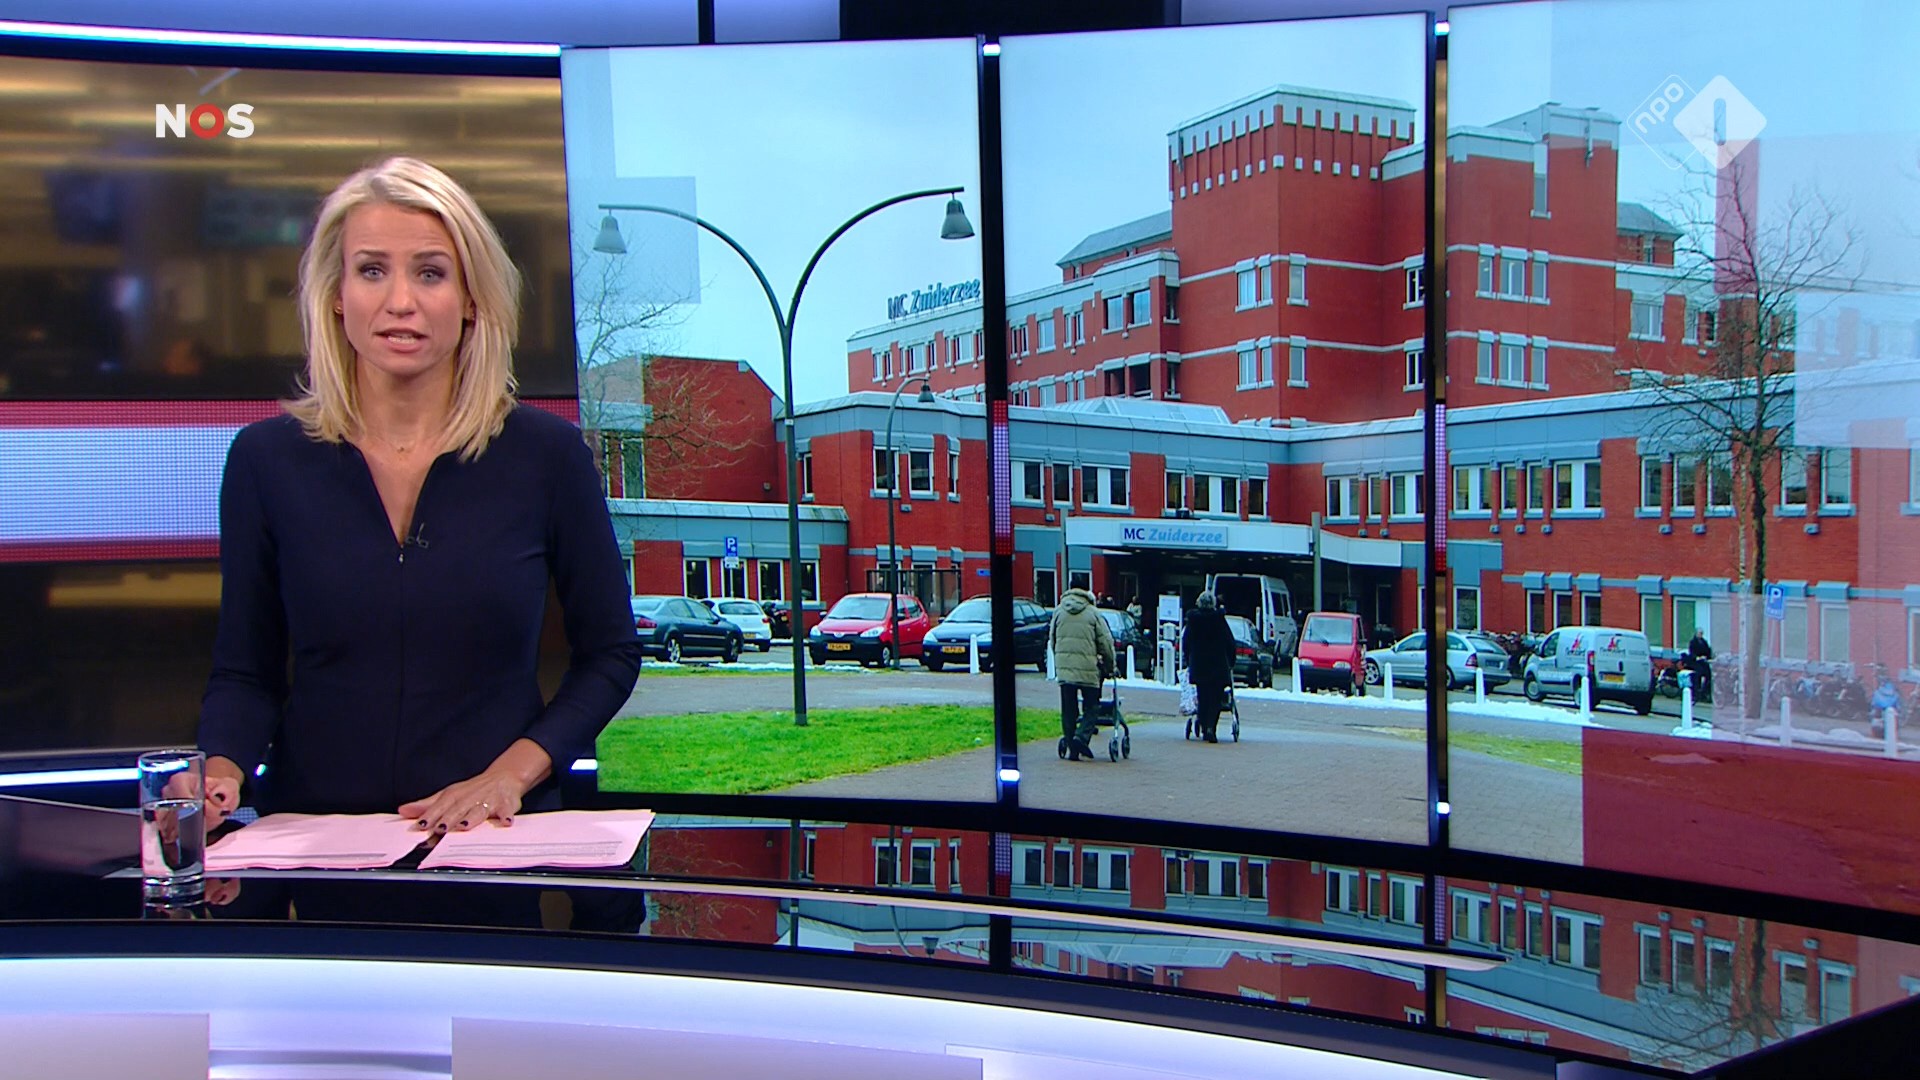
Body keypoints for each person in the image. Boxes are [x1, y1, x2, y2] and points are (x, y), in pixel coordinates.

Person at [195, 158, 644, 923]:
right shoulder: (266, 461)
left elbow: (610, 655)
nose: (399, 301)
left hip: (493, 854)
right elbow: (246, 671)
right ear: (335, 296)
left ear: (470, 299)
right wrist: (219, 770)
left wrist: (509, 777)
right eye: (372, 270)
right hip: (317, 857)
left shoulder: (545, 456)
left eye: (430, 273)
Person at [1049, 587, 1115, 761]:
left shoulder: (1059, 612)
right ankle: (1081, 737)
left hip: (1065, 669)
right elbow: (1105, 643)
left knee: (1068, 709)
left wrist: (1060, 661)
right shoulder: (1093, 613)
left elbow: (1053, 639)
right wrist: (1110, 665)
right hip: (1088, 669)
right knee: (1092, 706)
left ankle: (1072, 748)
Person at [1181, 592, 1235, 742]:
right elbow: (1230, 642)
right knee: (1215, 698)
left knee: (1203, 696)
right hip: (1218, 664)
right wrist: (1231, 661)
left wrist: (1188, 660)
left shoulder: (1193, 621)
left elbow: (1186, 643)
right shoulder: (1219, 620)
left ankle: (1204, 725)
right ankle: (1211, 727)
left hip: (1199, 665)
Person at [1687, 628, 1714, 703]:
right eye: (1699, 633)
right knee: (1698, 675)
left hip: (1703, 661)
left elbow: (1708, 651)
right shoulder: (1693, 642)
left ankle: (1705, 692)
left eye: (1701, 633)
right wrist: (1697, 657)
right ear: (1696, 633)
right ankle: (1696, 693)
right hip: (1696, 662)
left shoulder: (1704, 642)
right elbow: (1691, 652)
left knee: (1708, 675)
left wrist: (1708, 657)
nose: (1700, 635)